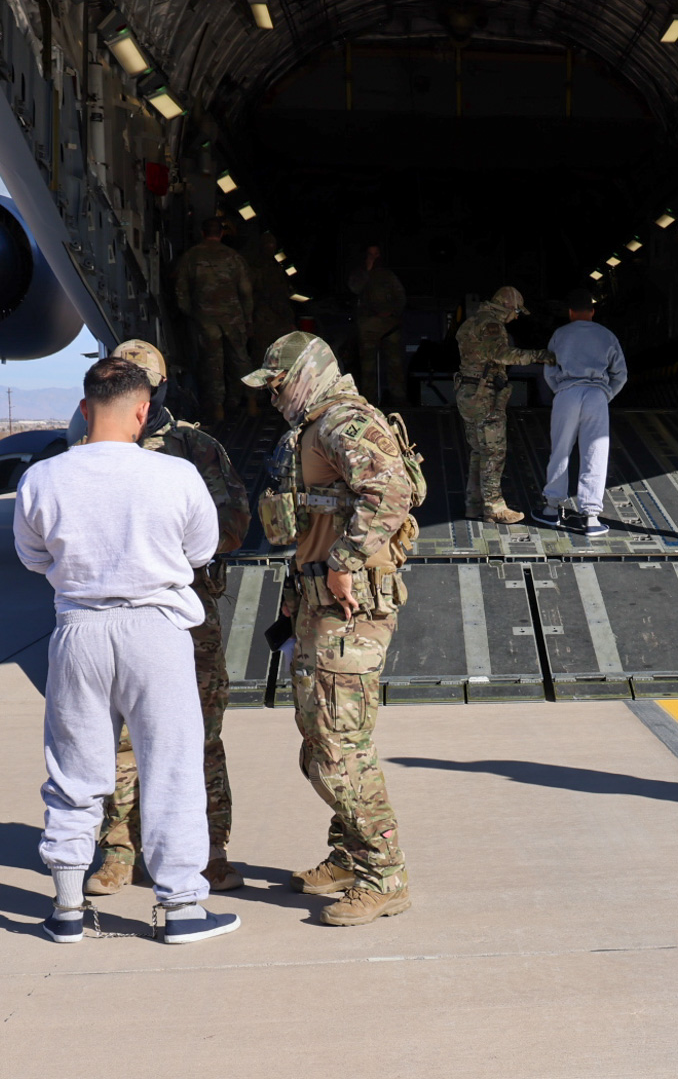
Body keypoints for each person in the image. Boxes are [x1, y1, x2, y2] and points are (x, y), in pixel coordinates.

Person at [14, 356, 240, 945]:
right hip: (155, 630)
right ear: (143, 412)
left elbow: (34, 557)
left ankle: (66, 907)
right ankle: (182, 907)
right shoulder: (176, 476)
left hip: (79, 632)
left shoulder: (43, 478)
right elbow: (200, 552)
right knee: (172, 765)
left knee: (74, 768)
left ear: (85, 408)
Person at [244, 332, 420, 927]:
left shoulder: (344, 420)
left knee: (340, 750)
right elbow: (314, 521)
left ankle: (384, 875)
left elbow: (390, 490)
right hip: (318, 603)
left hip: (351, 612)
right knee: (318, 742)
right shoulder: (315, 426)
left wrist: (346, 560)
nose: (273, 398)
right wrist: (298, 594)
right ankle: (349, 854)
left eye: (278, 384)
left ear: (308, 372)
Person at [62, 341, 251, 898]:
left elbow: (232, 526)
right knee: (115, 742)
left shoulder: (194, 448)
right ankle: (120, 849)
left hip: (185, 614)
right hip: (109, 618)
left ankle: (209, 850)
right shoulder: (84, 446)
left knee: (198, 736)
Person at [455, 286, 553, 524]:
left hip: (467, 392)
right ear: (507, 307)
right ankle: (494, 507)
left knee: (479, 450)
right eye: (516, 311)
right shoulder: (492, 325)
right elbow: (501, 354)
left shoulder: (472, 321)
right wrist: (540, 355)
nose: (516, 317)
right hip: (484, 394)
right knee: (494, 451)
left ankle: (473, 504)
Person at [538, 289, 628, 537]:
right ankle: (590, 517)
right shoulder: (606, 335)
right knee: (595, 452)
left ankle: (551, 508)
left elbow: (549, 369)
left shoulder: (560, 334)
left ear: (570, 312)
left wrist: (562, 390)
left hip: (567, 392)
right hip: (597, 394)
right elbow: (621, 374)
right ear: (592, 312)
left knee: (561, 450)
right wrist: (605, 394)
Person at [172, 216, 256, 425]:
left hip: (205, 319)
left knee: (213, 363)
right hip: (233, 318)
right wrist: (248, 319)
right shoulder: (233, 257)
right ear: (221, 233)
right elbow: (246, 291)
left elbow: (180, 292)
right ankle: (252, 401)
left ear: (202, 233)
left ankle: (218, 408)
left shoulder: (190, 257)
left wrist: (193, 314)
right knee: (241, 359)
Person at [350, 245, 408, 408]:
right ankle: (369, 402)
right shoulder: (359, 274)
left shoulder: (388, 275)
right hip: (368, 328)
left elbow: (400, 297)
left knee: (395, 365)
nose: (374, 258)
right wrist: (366, 272)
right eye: (370, 254)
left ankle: (399, 401)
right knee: (368, 368)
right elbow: (355, 288)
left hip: (390, 327)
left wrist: (391, 313)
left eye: (376, 254)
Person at [246, 231, 298, 355]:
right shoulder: (255, 268)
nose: (270, 247)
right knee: (262, 355)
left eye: (272, 245)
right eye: (268, 245)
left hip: (279, 318)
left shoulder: (277, 267)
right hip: (263, 318)